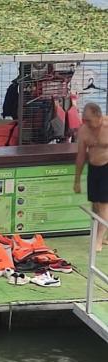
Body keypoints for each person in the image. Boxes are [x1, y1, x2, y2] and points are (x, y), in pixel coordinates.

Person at [74, 103, 108, 251]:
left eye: (89, 120)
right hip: (94, 168)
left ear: (98, 116)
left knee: (103, 205)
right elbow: (81, 156)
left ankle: (99, 240)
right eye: (84, 120)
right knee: (95, 205)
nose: (86, 123)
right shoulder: (84, 131)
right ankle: (99, 235)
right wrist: (77, 180)